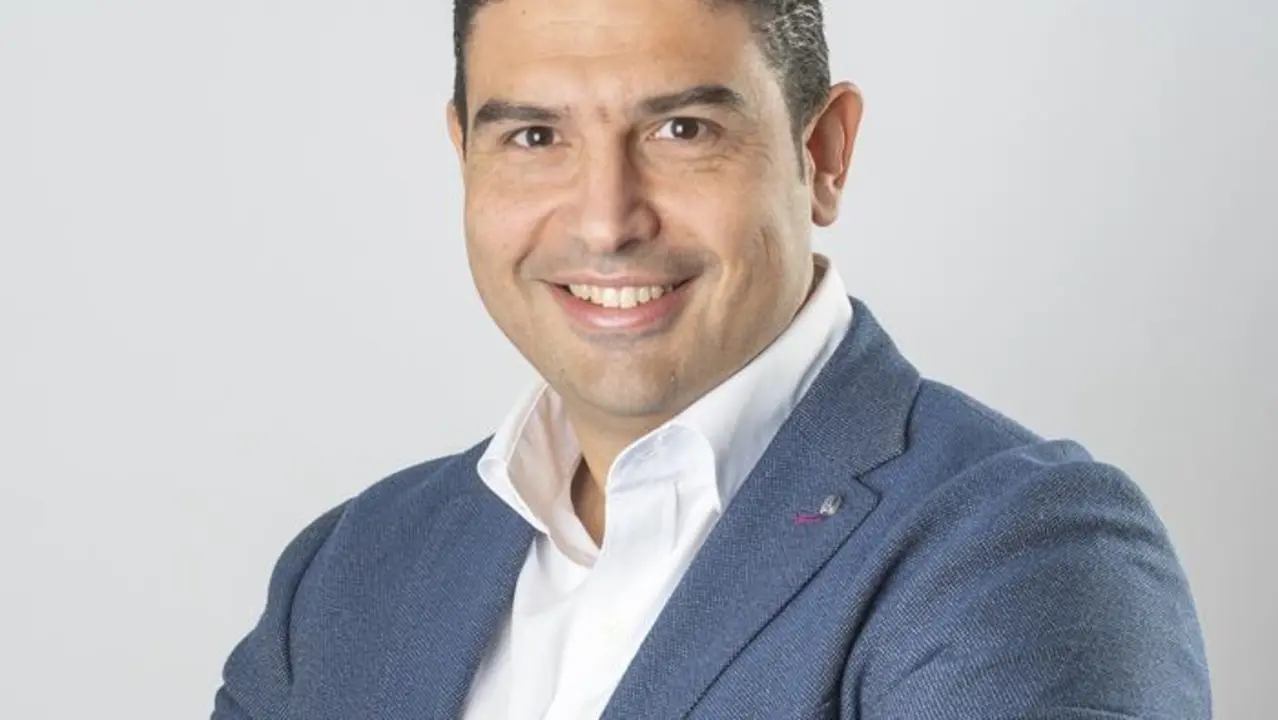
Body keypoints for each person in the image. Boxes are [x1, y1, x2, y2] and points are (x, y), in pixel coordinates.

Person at [213, 0, 1212, 717]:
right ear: (463, 158)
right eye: (534, 136)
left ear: (823, 154)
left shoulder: (1021, 553)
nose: (605, 220)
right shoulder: (350, 568)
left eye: (681, 129)